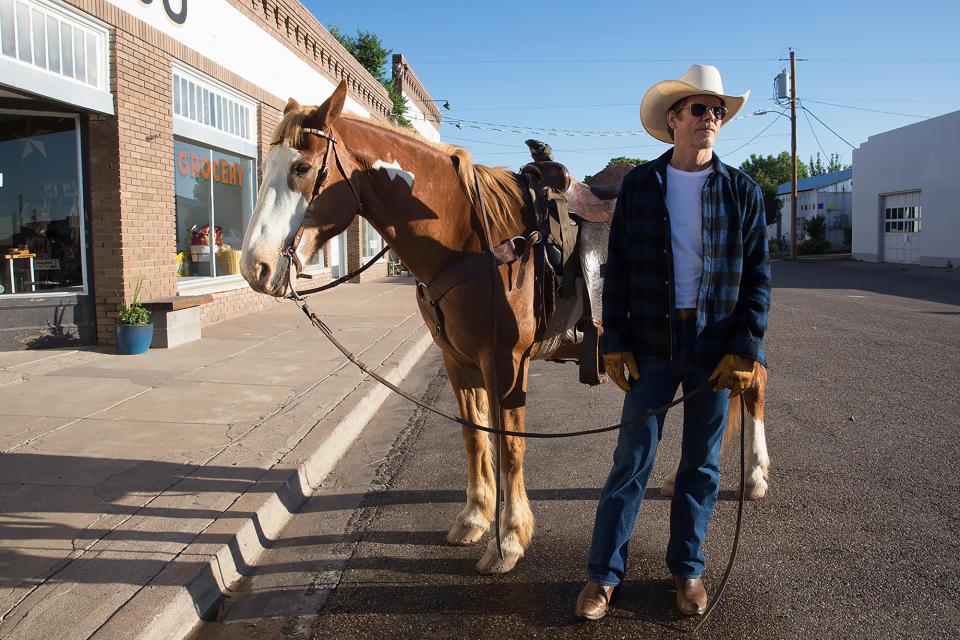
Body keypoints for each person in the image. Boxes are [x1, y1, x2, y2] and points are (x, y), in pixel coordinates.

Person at [574, 64, 770, 620]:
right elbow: (618, 268)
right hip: (653, 343)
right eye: (699, 109)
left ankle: (688, 570)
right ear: (673, 119)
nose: (711, 118)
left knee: (701, 466)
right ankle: (603, 577)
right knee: (631, 461)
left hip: (714, 347)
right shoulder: (640, 186)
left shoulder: (743, 193)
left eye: (718, 111)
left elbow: (757, 277)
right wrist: (614, 341)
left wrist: (746, 348)